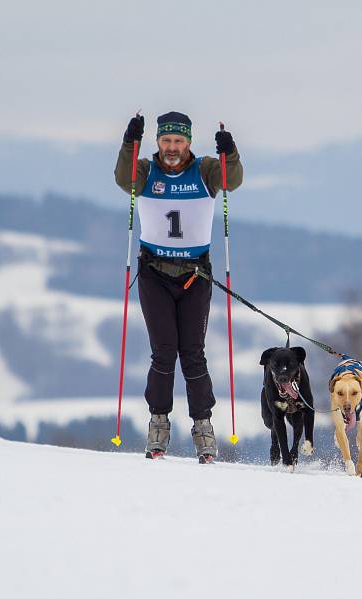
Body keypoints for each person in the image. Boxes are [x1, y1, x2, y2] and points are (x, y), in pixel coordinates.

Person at [114, 111, 243, 462]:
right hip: (154, 272)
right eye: (166, 141)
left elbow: (232, 180)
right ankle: (158, 425)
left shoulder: (204, 170)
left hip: (194, 276)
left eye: (179, 141)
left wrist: (228, 151)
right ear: (158, 142)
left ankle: (203, 428)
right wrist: (129, 142)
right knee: (163, 351)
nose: (172, 148)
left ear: (189, 142)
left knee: (193, 352)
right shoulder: (145, 170)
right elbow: (124, 180)